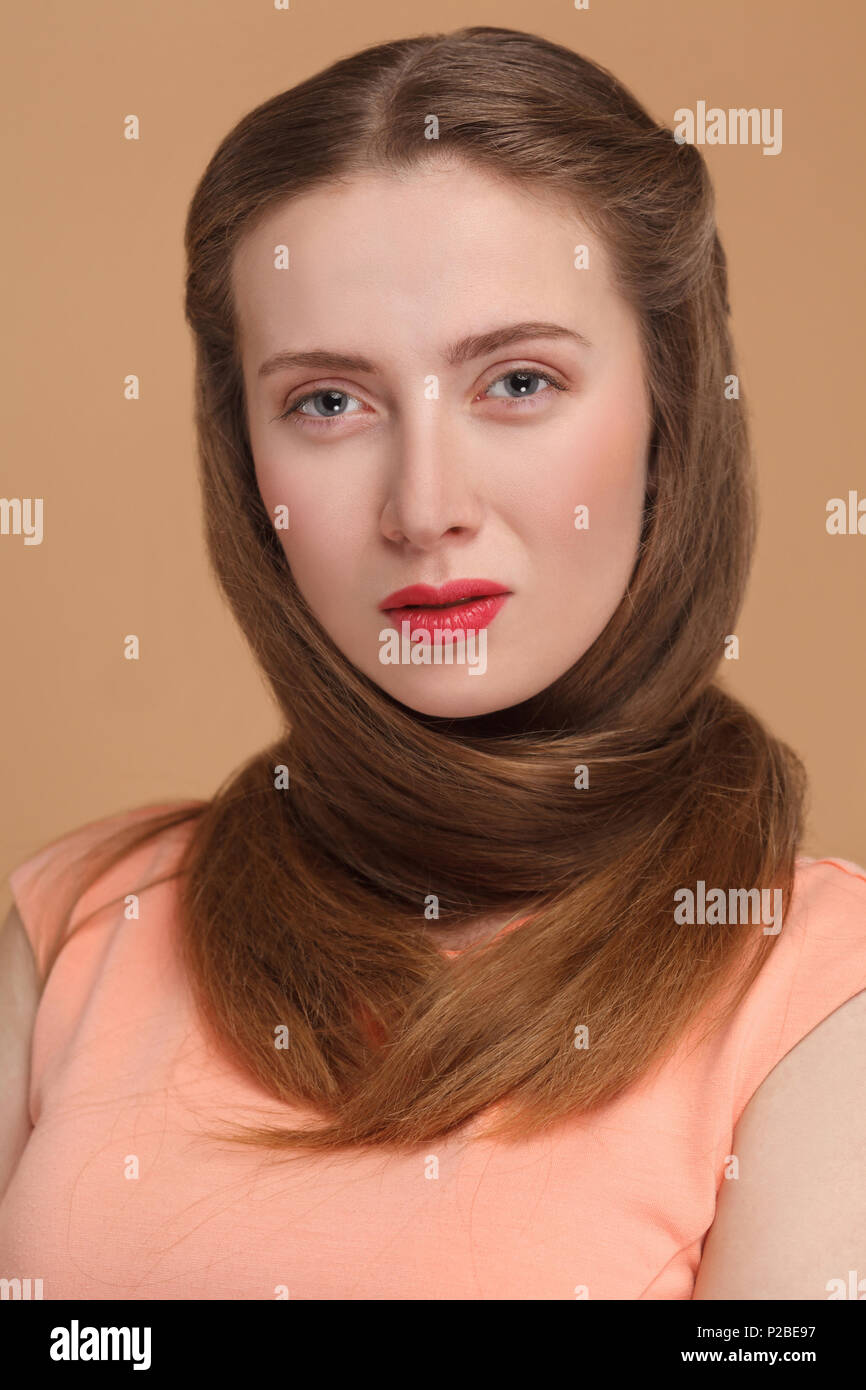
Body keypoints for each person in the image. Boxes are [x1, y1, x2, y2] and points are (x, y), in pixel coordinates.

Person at [1, 25, 864, 1301]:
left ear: (669, 412)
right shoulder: (73, 926)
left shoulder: (814, 997)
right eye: (328, 402)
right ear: (245, 460)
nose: (424, 504)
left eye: (516, 381)